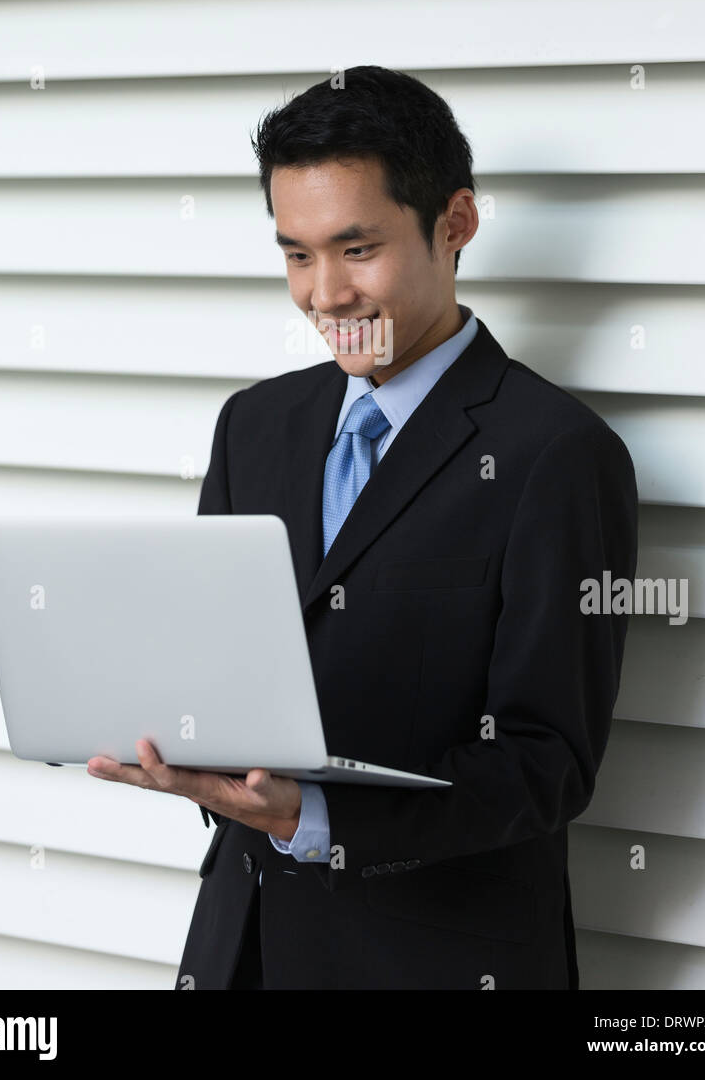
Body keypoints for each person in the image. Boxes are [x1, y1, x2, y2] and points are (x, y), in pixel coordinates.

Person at [88, 66, 638, 990]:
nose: (325, 294)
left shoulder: (557, 454)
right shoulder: (254, 426)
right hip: (244, 946)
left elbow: (548, 765)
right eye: (296, 254)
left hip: (435, 958)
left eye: (356, 249)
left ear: (455, 223)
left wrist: (317, 815)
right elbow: (221, 669)